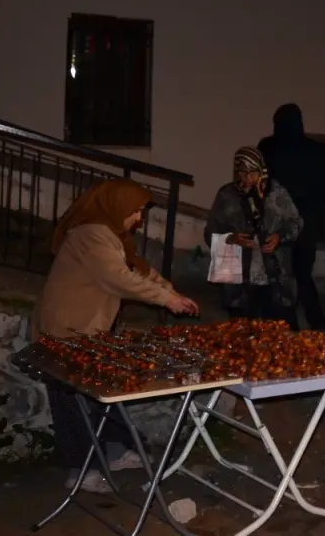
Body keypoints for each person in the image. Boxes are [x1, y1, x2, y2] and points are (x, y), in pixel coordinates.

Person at [35, 179, 199, 494]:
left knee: (98, 393)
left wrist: (170, 291)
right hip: (66, 329)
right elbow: (119, 277)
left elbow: (137, 269)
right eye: (135, 211)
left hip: (86, 331)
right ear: (116, 206)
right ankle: (81, 471)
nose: (139, 219)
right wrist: (166, 299)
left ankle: (116, 452)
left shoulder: (111, 236)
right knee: (72, 401)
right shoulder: (90, 234)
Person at [205, 147, 303, 326]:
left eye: (253, 172)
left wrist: (279, 236)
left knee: (280, 331)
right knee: (242, 334)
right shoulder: (227, 195)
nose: (248, 177)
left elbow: (296, 223)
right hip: (239, 282)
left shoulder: (276, 193)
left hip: (275, 279)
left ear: (262, 170)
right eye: (242, 171)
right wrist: (231, 238)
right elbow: (209, 232)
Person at [258, 103, 325, 330]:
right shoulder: (314, 150)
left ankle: (286, 323)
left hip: (279, 222)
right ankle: (314, 322)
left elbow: (261, 184)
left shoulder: (268, 147)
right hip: (306, 221)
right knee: (301, 273)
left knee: (280, 273)